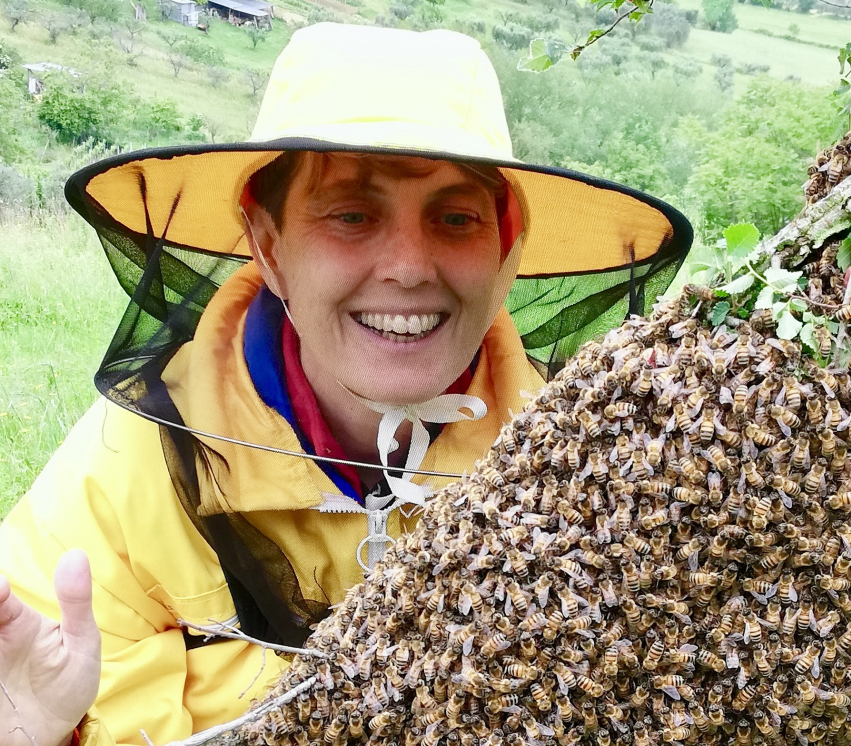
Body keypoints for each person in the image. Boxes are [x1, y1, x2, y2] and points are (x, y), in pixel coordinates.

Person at [0, 23, 691, 746]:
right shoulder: (129, 468)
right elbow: (31, 691)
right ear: (269, 245)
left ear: (506, 250)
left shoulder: (589, 462)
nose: (409, 266)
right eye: (352, 214)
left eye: (456, 218)